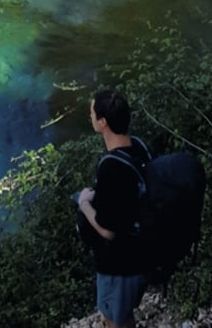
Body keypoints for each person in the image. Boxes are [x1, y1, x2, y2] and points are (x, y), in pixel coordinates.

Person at [76, 89, 151, 328]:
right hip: (143, 252)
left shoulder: (110, 167)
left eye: (91, 113)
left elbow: (109, 230)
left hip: (119, 265)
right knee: (124, 314)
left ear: (103, 122)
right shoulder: (139, 147)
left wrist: (84, 203)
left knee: (113, 320)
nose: (89, 116)